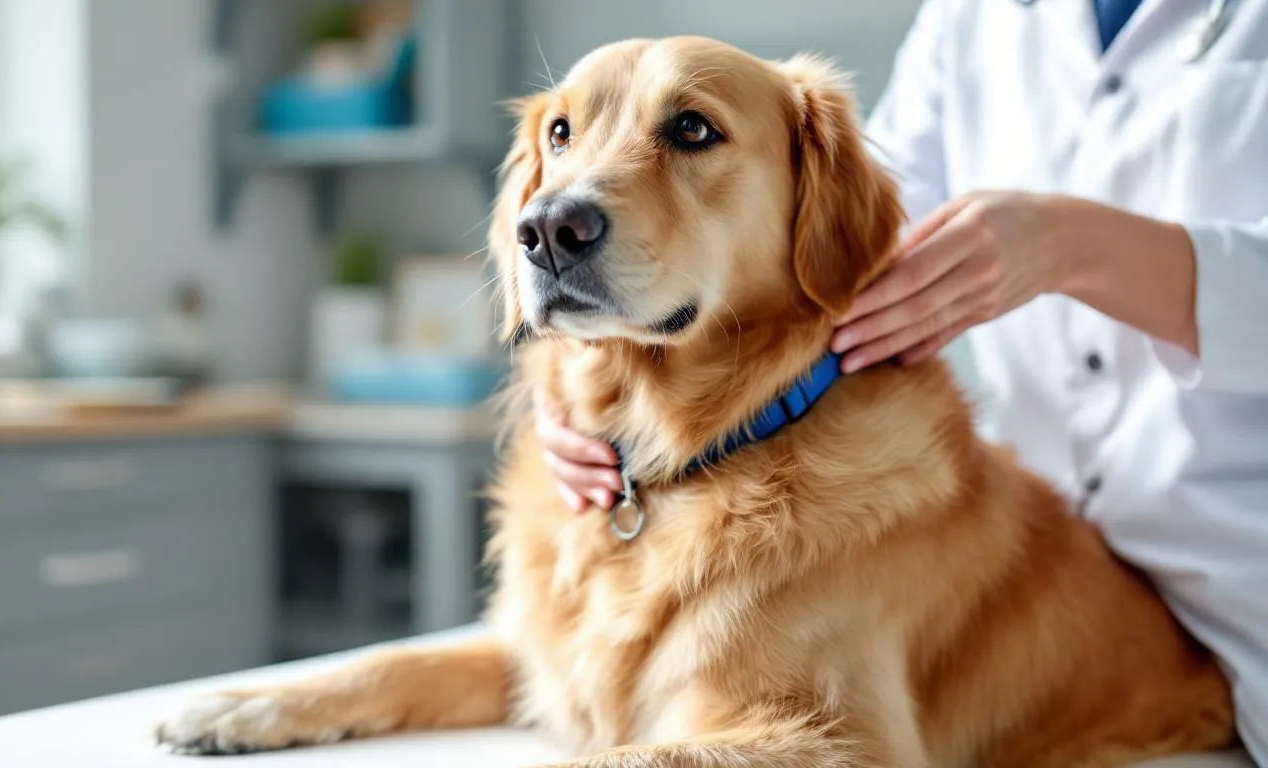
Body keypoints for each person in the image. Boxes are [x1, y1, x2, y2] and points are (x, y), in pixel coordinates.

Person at [532, 1, 1268, 765]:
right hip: (1041, 555)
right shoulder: (970, 15)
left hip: (1245, 588)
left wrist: (1072, 244)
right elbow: (840, 236)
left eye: (688, 131)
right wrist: (591, 400)